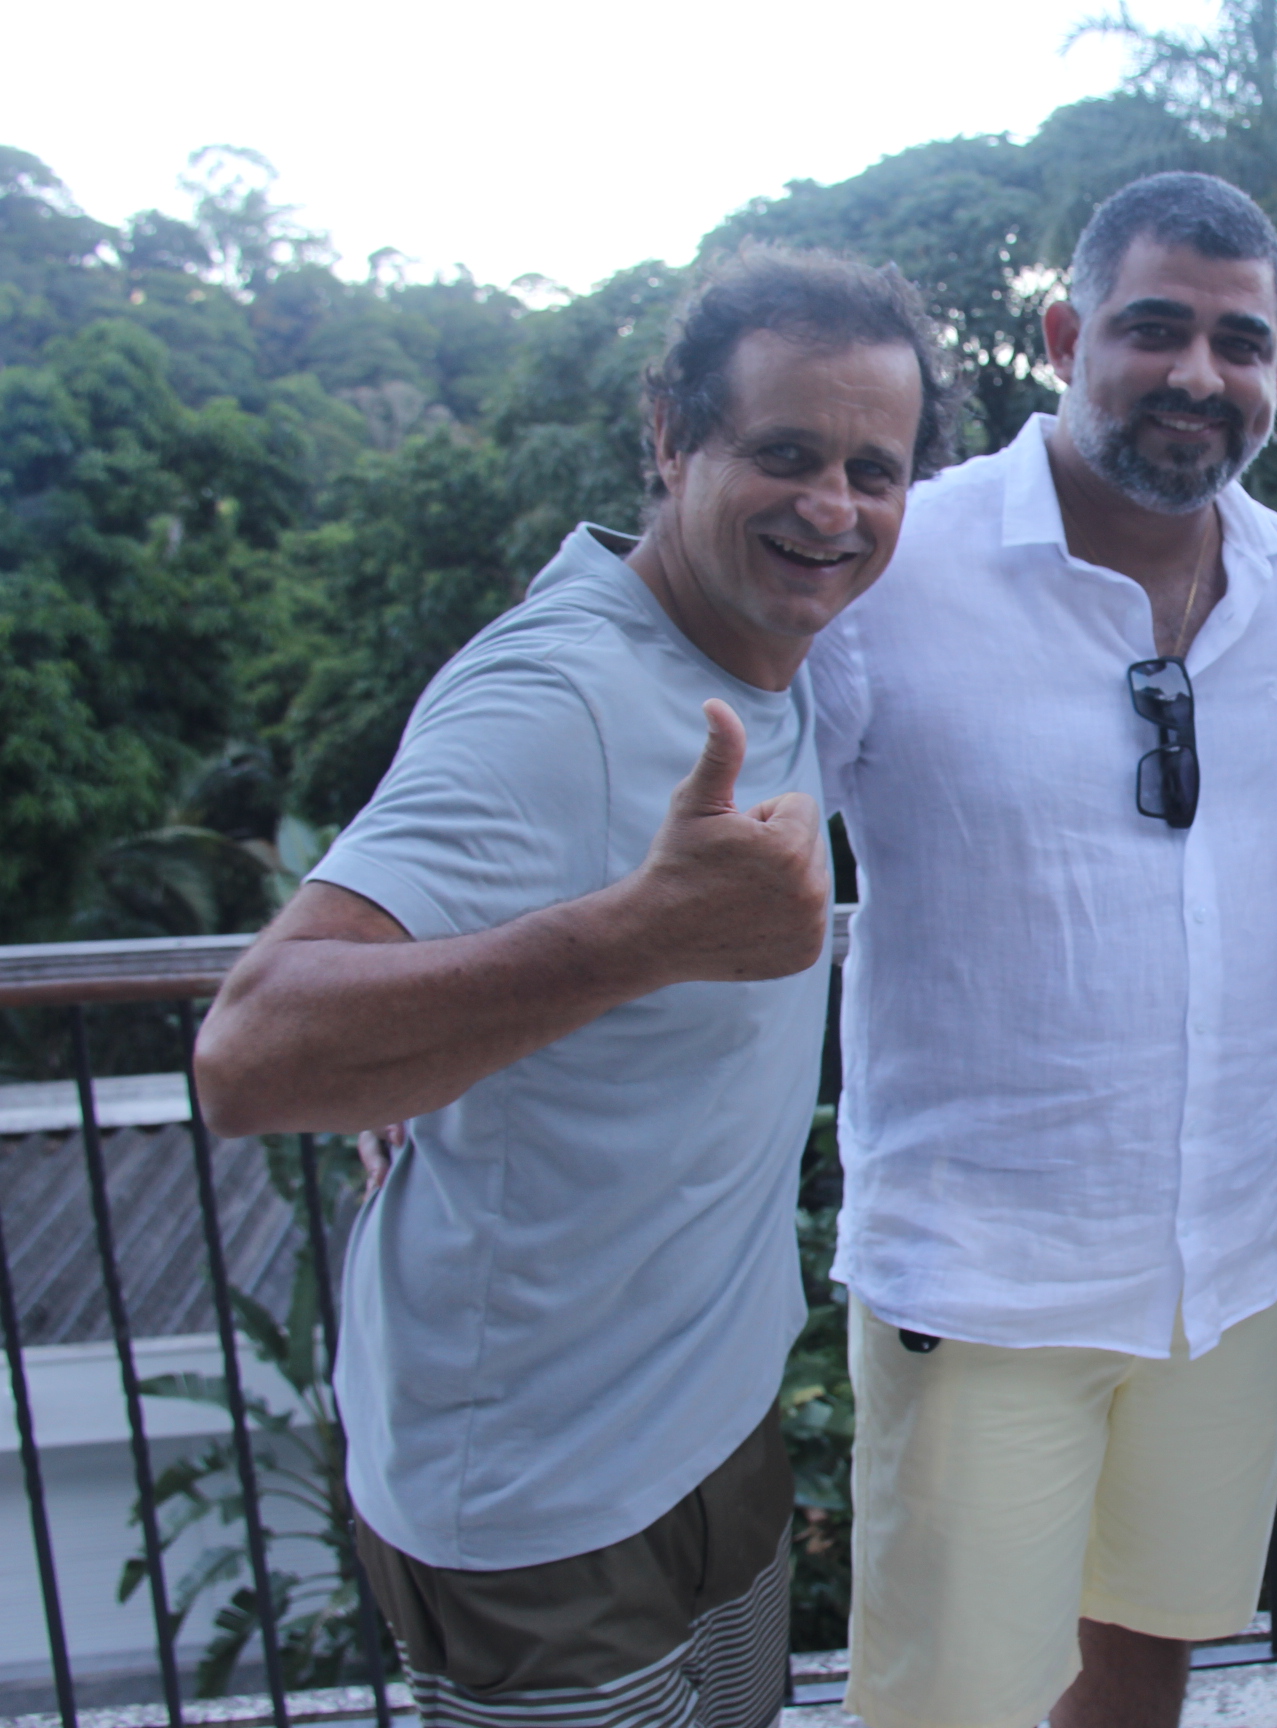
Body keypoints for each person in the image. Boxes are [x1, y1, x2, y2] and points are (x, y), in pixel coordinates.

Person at [192, 247, 950, 1728]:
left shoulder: (771, 643)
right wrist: (639, 938)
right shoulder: (558, 696)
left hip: (715, 1427)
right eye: (784, 454)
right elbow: (250, 1056)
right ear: (671, 436)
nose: (833, 508)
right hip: (539, 1503)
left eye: (875, 471)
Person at [808, 172, 1277, 1728]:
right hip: (988, 1279)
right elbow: (692, 812)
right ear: (1063, 337)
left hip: (1225, 1258)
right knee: (956, 1704)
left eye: (1237, 343)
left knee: (1148, 1652)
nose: (1196, 374)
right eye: (1154, 328)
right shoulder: (897, 565)